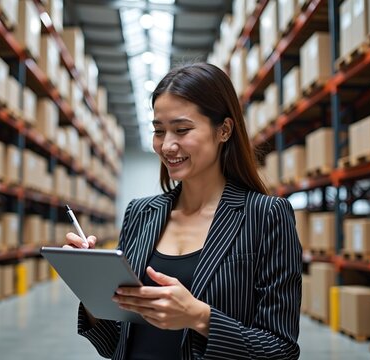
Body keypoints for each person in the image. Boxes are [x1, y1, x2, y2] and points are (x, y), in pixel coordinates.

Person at [64, 62, 302, 359]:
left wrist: (199, 317)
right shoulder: (140, 214)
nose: (167, 145)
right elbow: (117, 345)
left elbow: (281, 350)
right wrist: (93, 293)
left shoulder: (265, 216)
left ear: (224, 130)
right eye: (159, 131)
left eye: (182, 129)